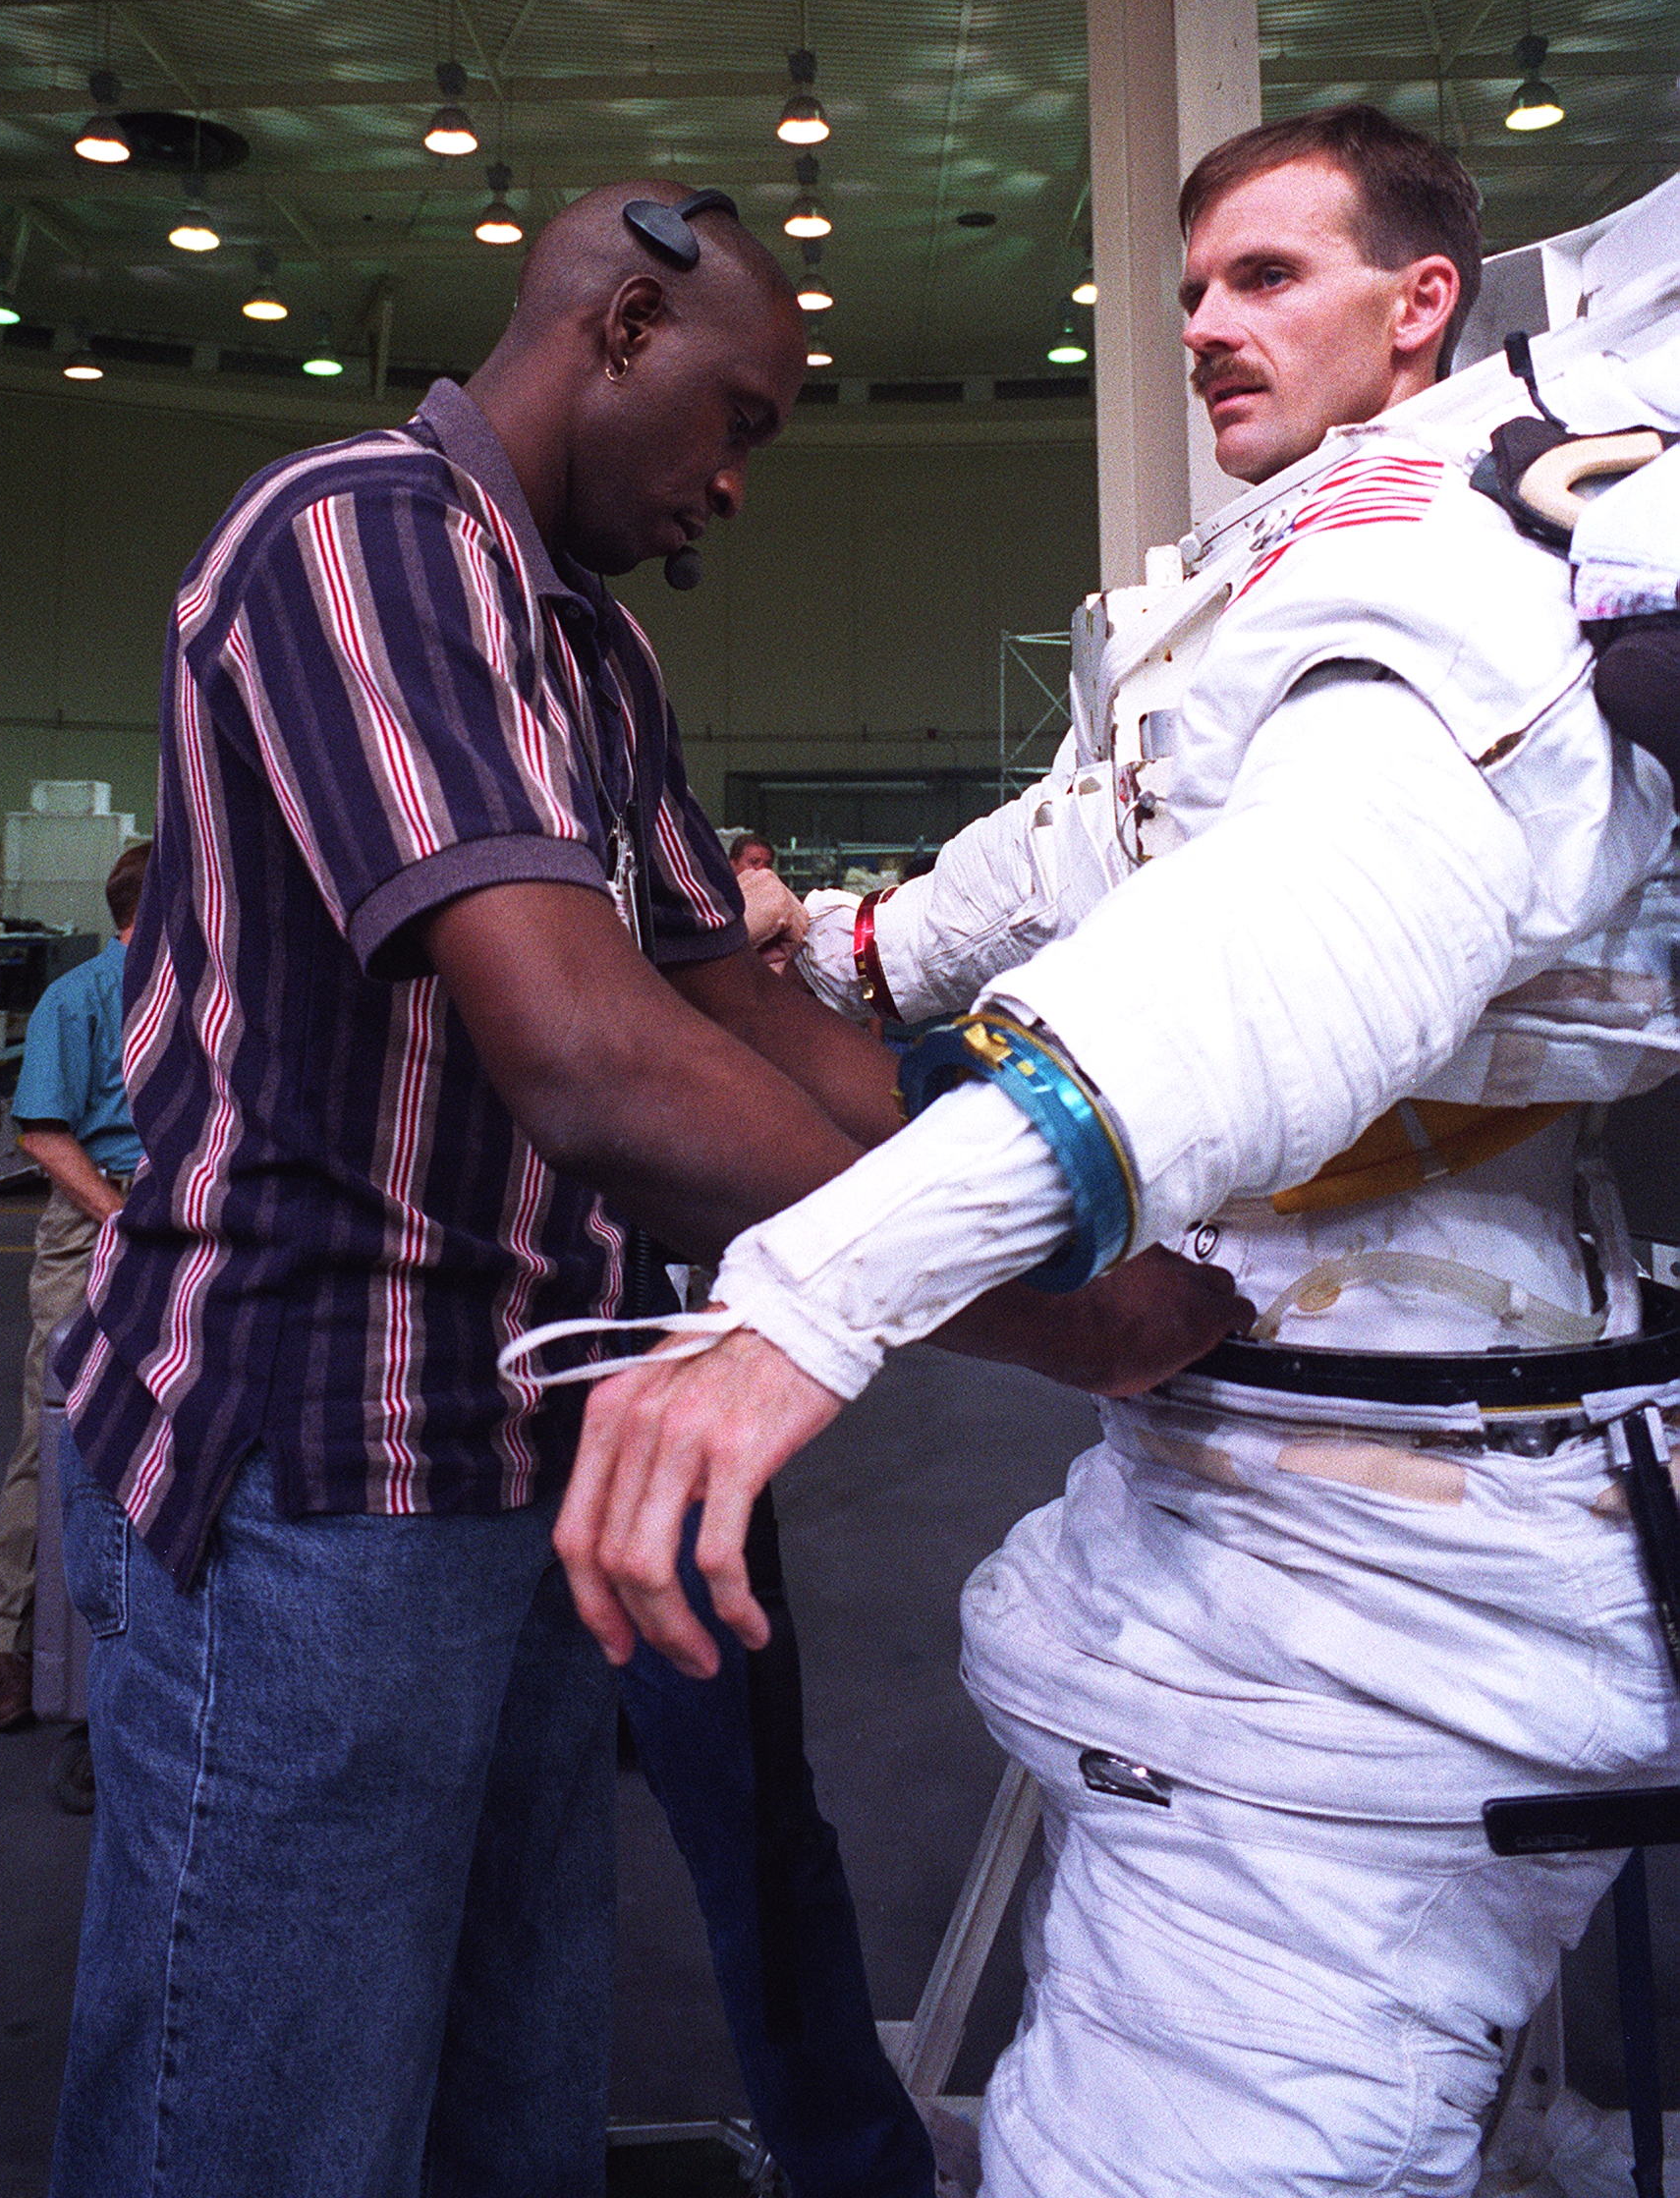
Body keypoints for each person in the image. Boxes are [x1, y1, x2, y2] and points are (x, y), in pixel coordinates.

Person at [46, 180, 1241, 2198]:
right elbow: (597, 1067)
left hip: (526, 1451)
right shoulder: (358, 536)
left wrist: (1070, 1181)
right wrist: (1067, 1324)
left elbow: (754, 1022)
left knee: (514, 2094)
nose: (736, 486)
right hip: (315, 1472)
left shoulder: (587, 648)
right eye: (738, 420)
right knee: (271, 2121)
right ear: (617, 328)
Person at [551, 110, 1680, 2198]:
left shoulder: (1473, 544)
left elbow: (1301, 926)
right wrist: (849, 947)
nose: (1206, 326)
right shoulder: (1295, 555)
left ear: (1421, 302)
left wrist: (818, 1297)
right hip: (1272, 1466)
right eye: (1189, 291)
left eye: (1268, 277)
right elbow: (1095, 839)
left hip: (1388, 1565)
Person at [0, 838, 149, 1731]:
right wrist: (119, 1216)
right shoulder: (77, 998)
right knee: (53, 1426)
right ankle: (10, 1642)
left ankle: (140, 1639)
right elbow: (44, 1132)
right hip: (97, 1217)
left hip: (182, 1215)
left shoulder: (201, 994)